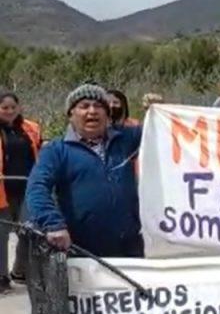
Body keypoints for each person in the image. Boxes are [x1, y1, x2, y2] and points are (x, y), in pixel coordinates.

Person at [27, 84, 143, 258]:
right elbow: (37, 187)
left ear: (107, 114)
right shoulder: (56, 150)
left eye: (98, 106)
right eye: (84, 106)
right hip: (81, 250)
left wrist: (160, 109)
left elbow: (164, 131)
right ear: (71, 115)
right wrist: (53, 224)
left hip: (130, 247)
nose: (92, 111)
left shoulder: (126, 139)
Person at [0, 93, 40, 292]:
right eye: (4, 107)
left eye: (12, 107)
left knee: (29, 231)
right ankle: (1, 277)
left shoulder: (30, 128)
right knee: (2, 235)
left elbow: (40, 151)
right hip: (2, 191)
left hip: (27, 188)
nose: (9, 111)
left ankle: (20, 270)